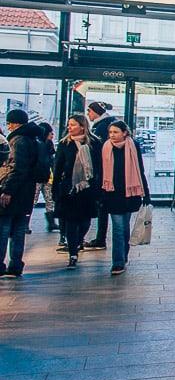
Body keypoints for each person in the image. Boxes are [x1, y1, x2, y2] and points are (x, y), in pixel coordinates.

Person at [52, 115, 103, 269]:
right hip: (69, 188)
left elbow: (99, 166)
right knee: (71, 221)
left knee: (85, 219)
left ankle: (79, 240)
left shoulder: (94, 143)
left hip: (88, 188)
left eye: (73, 125)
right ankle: (73, 252)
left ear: (82, 126)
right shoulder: (64, 144)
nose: (69, 127)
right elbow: (58, 167)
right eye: (69, 124)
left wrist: (99, 187)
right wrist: (56, 187)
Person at [101, 121, 150, 275]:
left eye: (115, 132)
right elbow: (100, 171)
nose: (112, 135)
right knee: (118, 227)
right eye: (110, 132)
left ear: (124, 133)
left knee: (124, 227)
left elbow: (140, 169)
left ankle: (123, 254)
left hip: (130, 192)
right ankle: (118, 262)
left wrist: (146, 193)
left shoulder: (133, 146)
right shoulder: (106, 148)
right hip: (112, 192)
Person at [0, 110, 41, 278]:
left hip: (15, 191)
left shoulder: (17, 141)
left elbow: (16, 168)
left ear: (16, 123)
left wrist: (7, 190)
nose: (8, 126)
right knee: (18, 229)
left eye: (10, 122)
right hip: (27, 191)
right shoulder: (33, 139)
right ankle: (16, 264)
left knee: (3, 228)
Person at [86, 102, 113, 250]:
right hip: (104, 171)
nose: (88, 115)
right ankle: (100, 237)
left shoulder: (101, 127)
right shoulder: (105, 124)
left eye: (89, 111)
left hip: (102, 172)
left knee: (102, 205)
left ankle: (100, 238)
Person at [33, 123, 57, 234]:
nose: (52, 135)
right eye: (50, 133)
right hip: (40, 176)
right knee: (35, 199)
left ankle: (51, 223)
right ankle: (51, 223)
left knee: (49, 199)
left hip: (47, 176)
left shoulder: (47, 144)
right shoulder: (40, 145)